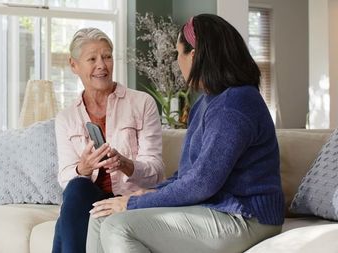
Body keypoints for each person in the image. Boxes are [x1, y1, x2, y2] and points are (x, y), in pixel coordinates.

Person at [86, 14, 285, 253]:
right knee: (100, 216)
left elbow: (202, 182)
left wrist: (136, 202)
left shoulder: (235, 104)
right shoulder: (206, 103)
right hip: (214, 207)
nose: (176, 61)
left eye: (177, 53)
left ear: (194, 55)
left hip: (246, 216)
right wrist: (152, 192)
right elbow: (188, 174)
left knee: (118, 227)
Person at [52, 27, 165, 253]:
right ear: (74, 65)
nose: (102, 65)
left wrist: (126, 164)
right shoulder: (66, 118)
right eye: (92, 59)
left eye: (107, 57)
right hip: (88, 198)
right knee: (76, 188)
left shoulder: (142, 103)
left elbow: (157, 172)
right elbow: (65, 178)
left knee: (65, 222)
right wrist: (82, 168)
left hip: (130, 197)